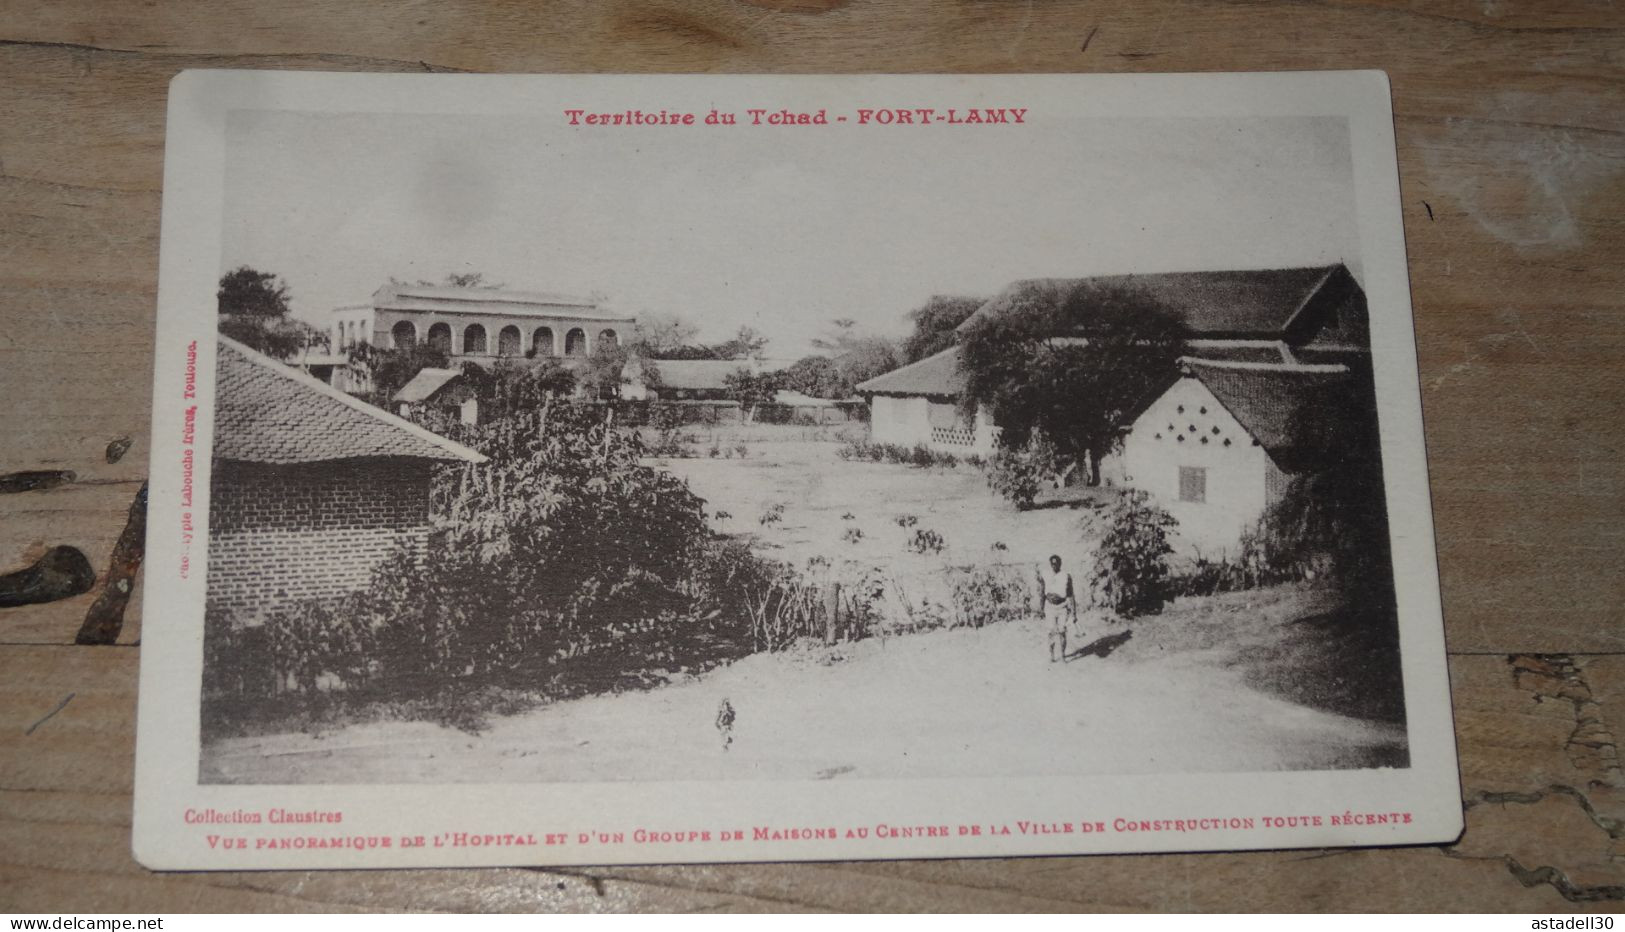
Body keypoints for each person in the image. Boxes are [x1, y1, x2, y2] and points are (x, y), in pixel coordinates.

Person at [1038, 554, 1076, 663]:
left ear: (1060, 564)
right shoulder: (1045, 575)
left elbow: (1071, 595)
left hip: (1062, 607)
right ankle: (1052, 655)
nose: (1054, 566)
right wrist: (1041, 608)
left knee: (1062, 631)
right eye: (1052, 564)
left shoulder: (1066, 576)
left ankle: (1063, 655)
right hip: (1049, 607)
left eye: (1056, 563)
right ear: (1050, 564)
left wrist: (1074, 613)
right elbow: (1042, 592)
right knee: (1050, 631)